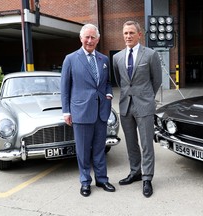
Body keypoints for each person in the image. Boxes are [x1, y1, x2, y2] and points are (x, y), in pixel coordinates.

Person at [61, 23, 115, 197]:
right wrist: (66, 111)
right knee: (83, 151)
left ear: (98, 39)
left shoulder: (104, 59)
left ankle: (102, 179)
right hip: (81, 112)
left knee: (100, 148)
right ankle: (85, 182)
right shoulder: (70, 59)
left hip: (101, 111)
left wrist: (108, 94)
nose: (90, 41)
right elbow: (65, 87)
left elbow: (107, 82)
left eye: (93, 37)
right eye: (87, 37)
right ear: (81, 38)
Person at [113, 21, 162, 198]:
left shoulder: (150, 54)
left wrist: (147, 96)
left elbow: (156, 80)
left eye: (131, 33)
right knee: (131, 143)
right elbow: (120, 81)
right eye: (125, 33)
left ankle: (147, 178)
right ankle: (135, 172)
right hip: (125, 105)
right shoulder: (117, 57)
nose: (128, 36)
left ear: (139, 34)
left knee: (147, 144)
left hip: (144, 105)